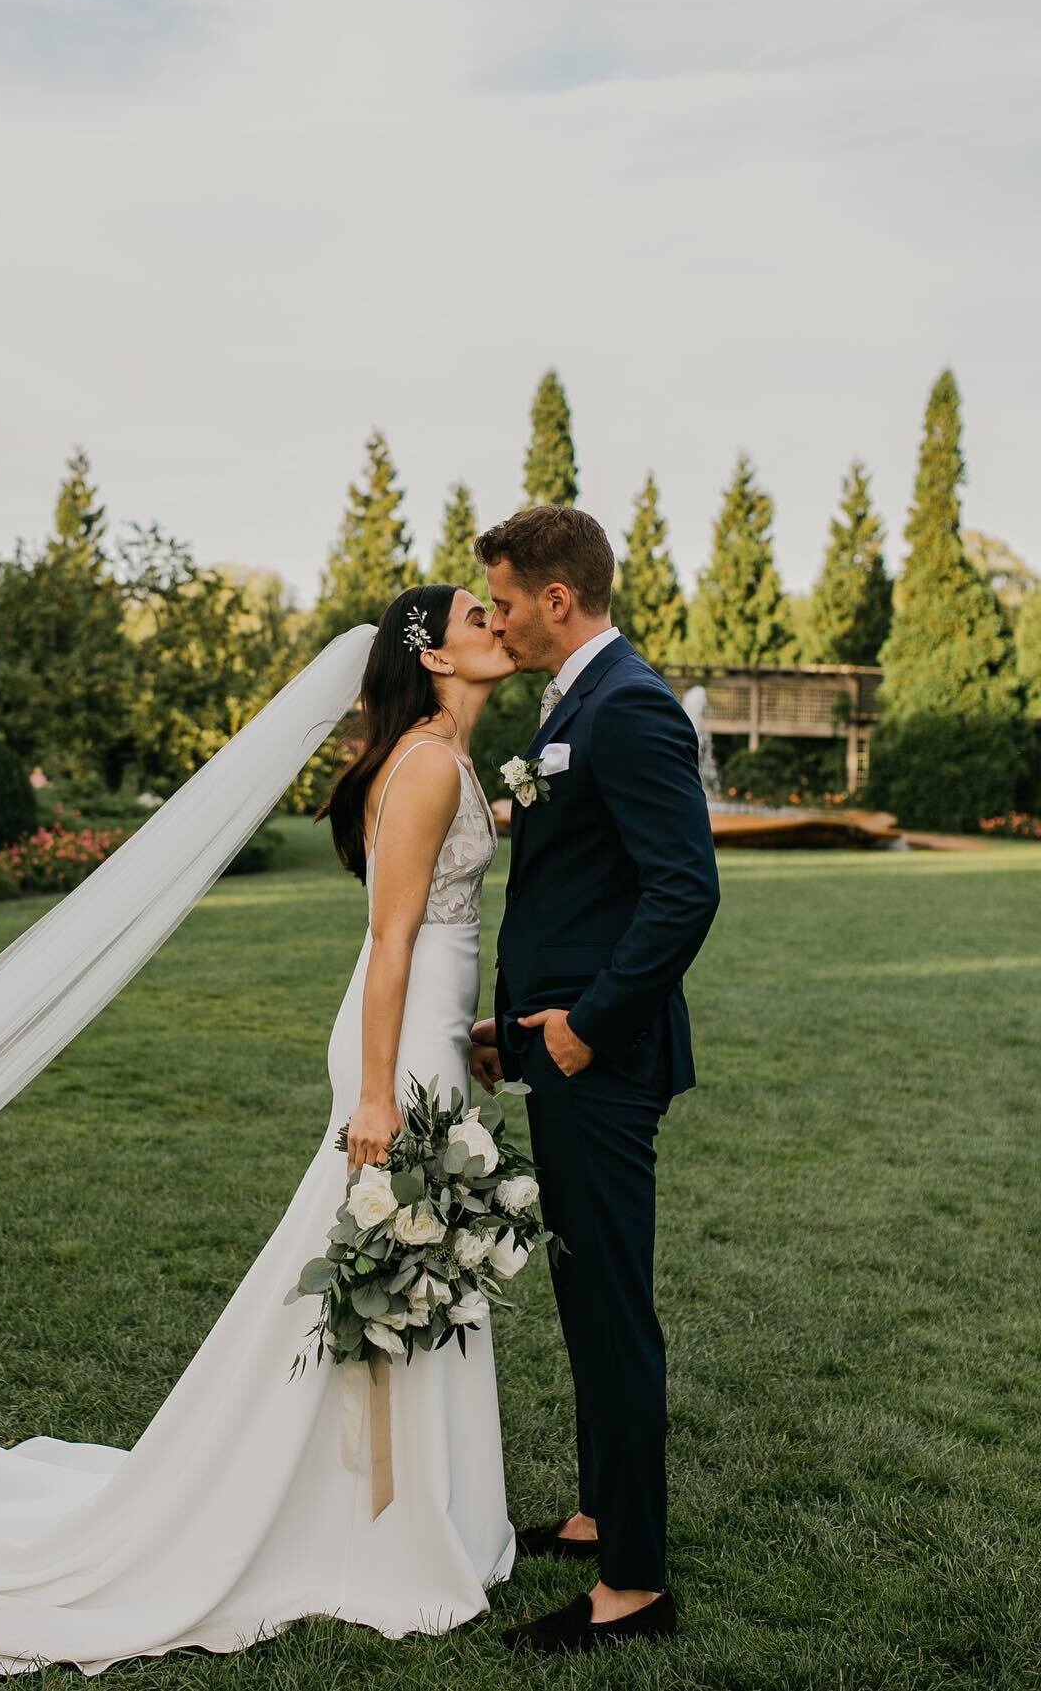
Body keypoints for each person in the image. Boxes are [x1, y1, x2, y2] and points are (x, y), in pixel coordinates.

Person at [0, 582, 518, 1676]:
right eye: (475, 616)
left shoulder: (445, 750)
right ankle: (371, 1522)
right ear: (433, 658)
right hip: (399, 1044)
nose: (495, 624)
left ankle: (397, 1506)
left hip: (430, 1027)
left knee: (407, 1258)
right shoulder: (429, 762)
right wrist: (380, 1094)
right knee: (388, 1251)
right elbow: (391, 941)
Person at [468, 504, 721, 1655]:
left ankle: (633, 1585)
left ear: (557, 599)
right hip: (558, 1048)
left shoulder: (630, 707)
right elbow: (579, 891)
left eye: (508, 601)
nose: (501, 620)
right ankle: (599, 1508)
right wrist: (517, 1032)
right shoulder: (572, 702)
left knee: (614, 1309)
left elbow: (685, 892)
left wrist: (586, 1031)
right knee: (585, 1295)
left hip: (605, 1064)